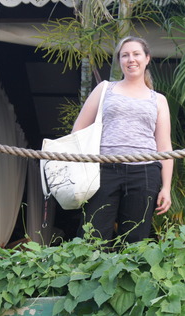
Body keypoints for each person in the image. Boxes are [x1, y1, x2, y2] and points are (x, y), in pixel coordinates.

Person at [72, 36, 173, 243]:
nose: (131, 59)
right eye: (125, 55)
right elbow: (78, 129)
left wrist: (166, 187)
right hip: (105, 169)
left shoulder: (158, 100)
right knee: (92, 235)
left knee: (135, 239)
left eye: (136, 54)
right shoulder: (105, 89)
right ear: (119, 61)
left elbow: (164, 146)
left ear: (147, 58)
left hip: (145, 171)